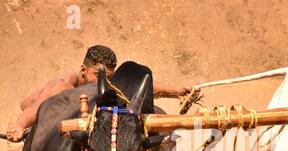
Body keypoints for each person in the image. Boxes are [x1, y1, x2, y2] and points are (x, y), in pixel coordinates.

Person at [7, 45, 191, 141]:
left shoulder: (104, 85)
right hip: (27, 123)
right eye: (97, 75)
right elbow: (33, 110)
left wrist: (177, 91)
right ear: (83, 71)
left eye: (108, 78)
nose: (103, 83)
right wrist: (18, 127)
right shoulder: (61, 88)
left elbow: (137, 88)